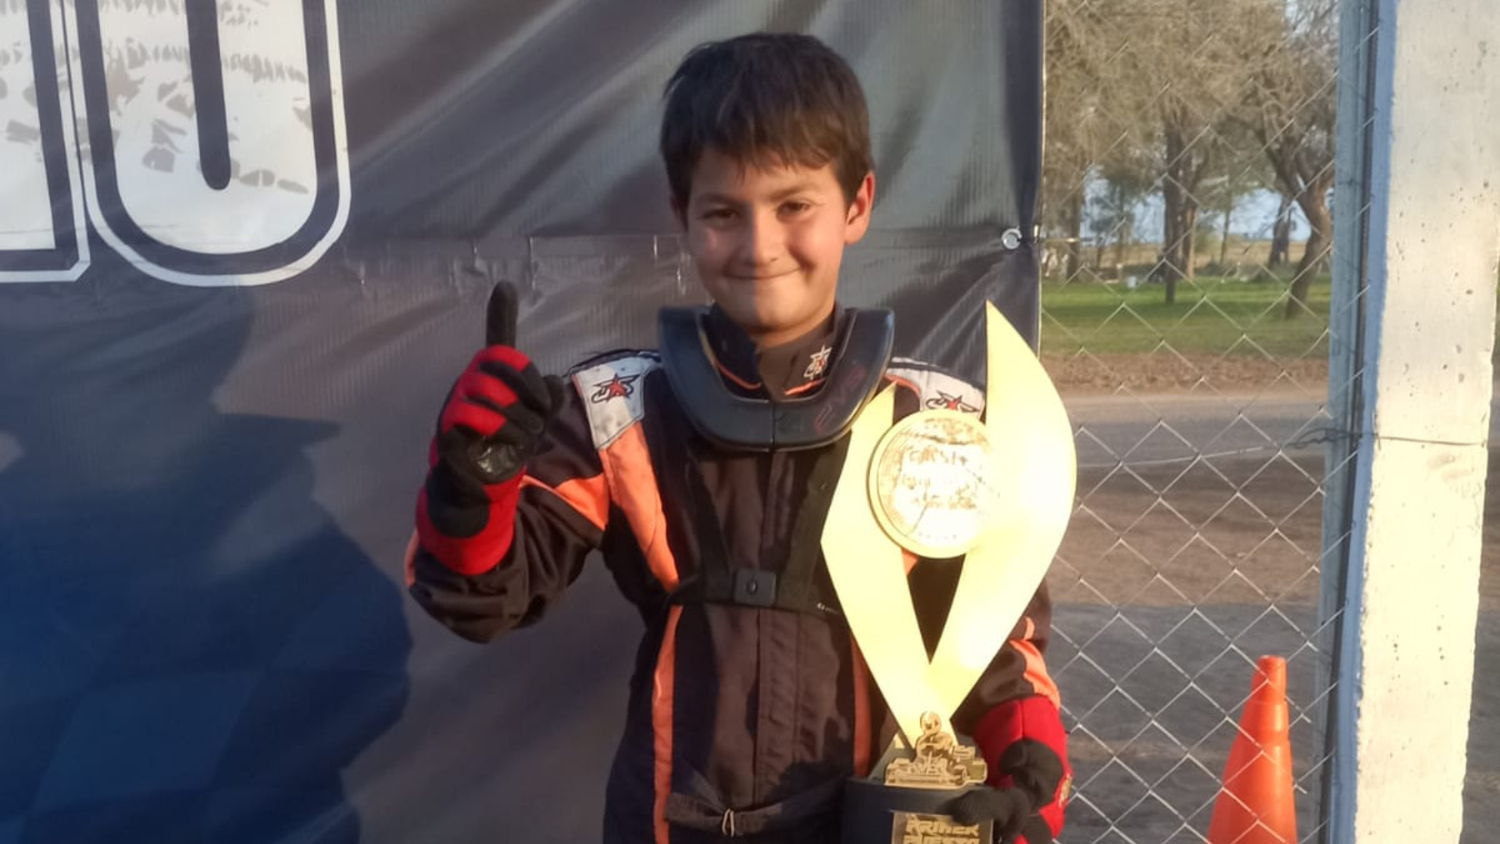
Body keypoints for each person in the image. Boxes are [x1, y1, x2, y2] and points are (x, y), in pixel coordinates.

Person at [406, 32, 1070, 844]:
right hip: (663, 825)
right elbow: (481, 600)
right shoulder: (617, 411)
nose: (760, 247)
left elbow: (996, 645)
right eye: (725, 212)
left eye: (795, 206)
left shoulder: (935, 428)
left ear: (857, 204)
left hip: (869, 825)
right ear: (682, 215)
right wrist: (470, 484)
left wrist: (1030, 785)